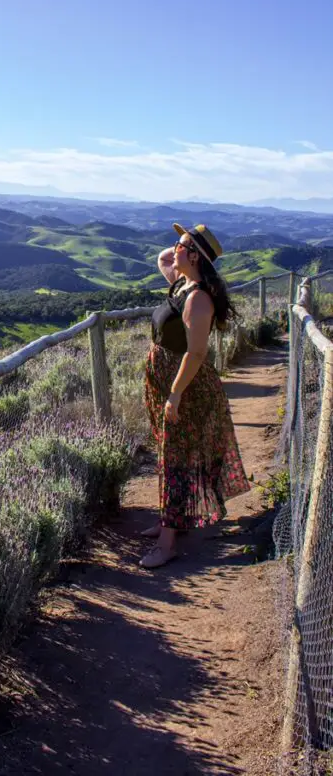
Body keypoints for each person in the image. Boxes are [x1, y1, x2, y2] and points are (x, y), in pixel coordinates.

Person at [140, 223, 251, 568]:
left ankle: (168, 541)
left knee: (176, 459)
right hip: (171, 386)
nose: (173, 248)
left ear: (195, 257)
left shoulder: (198, 298)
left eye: (182, 245)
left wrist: (174, 395)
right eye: (177, 243)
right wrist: (182, 247)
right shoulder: (181, 284)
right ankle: (170, 520)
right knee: (171, 454)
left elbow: (196, 353)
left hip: (187, 390)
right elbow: (162, 257)